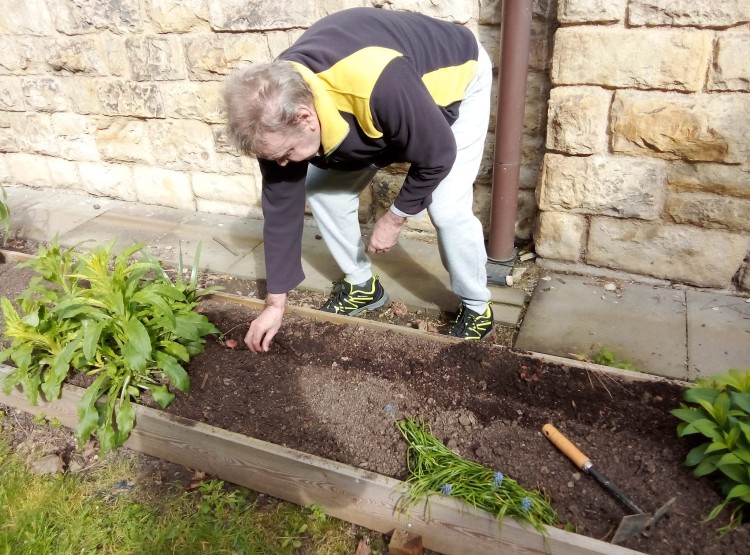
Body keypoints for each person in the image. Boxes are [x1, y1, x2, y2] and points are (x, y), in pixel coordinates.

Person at [224, 7, 494, 352]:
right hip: (376, 105)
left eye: (286, 153)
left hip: (455, 77)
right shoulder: (273, 115)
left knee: (446, 206)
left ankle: (476, 306)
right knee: (323, 191)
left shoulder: (378, 83)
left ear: (305, 117)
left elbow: (437, 153)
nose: (281, 163)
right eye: (274, 156)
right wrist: (275, 305)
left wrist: (396, 217)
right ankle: (363, 285)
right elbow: (280, 210)